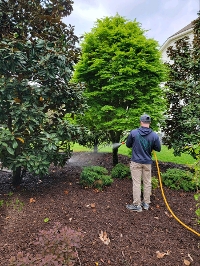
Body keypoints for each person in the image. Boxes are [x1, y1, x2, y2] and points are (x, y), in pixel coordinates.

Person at [126, 114, 161, 212]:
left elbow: (128, 145)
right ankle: (146, 203)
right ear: (149, 123)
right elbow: (158, 148)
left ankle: (137, 205)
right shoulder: (154, 135)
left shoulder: (134, 133)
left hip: (136, 162)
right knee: (147, 183)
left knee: (136, 183)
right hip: (147, 163)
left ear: (141, 122)